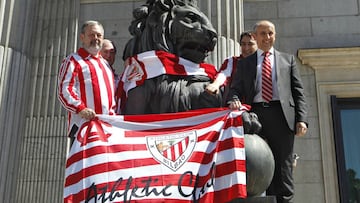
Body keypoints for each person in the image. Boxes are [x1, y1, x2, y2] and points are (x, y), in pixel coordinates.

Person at [227, 20, 308, 203]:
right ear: (255, 36)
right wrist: (233, 99)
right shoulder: (246, 63)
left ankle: (285, 201)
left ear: (275, 36)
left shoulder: (288, 60)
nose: (267, 37)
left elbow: (298, 93)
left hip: (282, 116)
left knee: (283, 167)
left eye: (270, 33)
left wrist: (301, 119)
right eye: (263, 34)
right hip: (255, 117)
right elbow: (235, 89)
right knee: (259, 164)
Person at [57, 20, 116, 138]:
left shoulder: (105, 64)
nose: (96, 38)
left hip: (107, 128)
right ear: (82, 37)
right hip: (83, 127)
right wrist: (81, 109)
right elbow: (65, 90)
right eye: (91, 35)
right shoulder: (73, 60)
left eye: (99, 35)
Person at [205, 31, 257, 100]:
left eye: (250, 44)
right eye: (243, 44)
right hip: (236, 104)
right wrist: (215, 84)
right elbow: (223, 74)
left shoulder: (264, 62)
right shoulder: (232, 61)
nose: (246, 48)